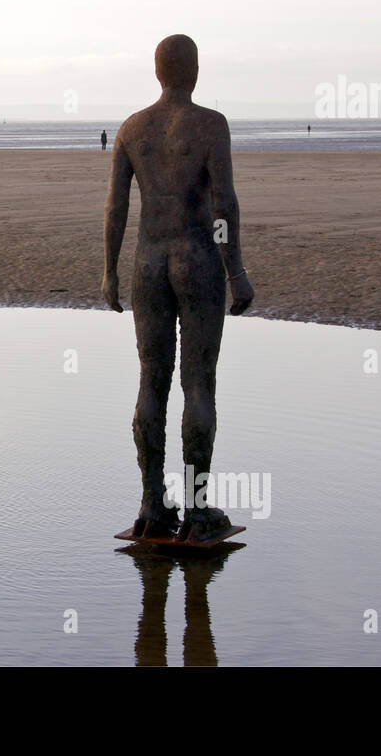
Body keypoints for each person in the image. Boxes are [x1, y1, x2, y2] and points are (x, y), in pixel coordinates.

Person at [102, 34, 254, 544]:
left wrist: (109, 270)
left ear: (157, 71)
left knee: (152, 378)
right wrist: (236, 271)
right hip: (197, 261)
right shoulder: (210, 125)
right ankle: (196, 508)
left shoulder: (132, 128)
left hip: (148, 261)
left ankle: (151, 504)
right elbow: (224, 206)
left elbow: (116, 209)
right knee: (198, 380)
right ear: (193, 71)